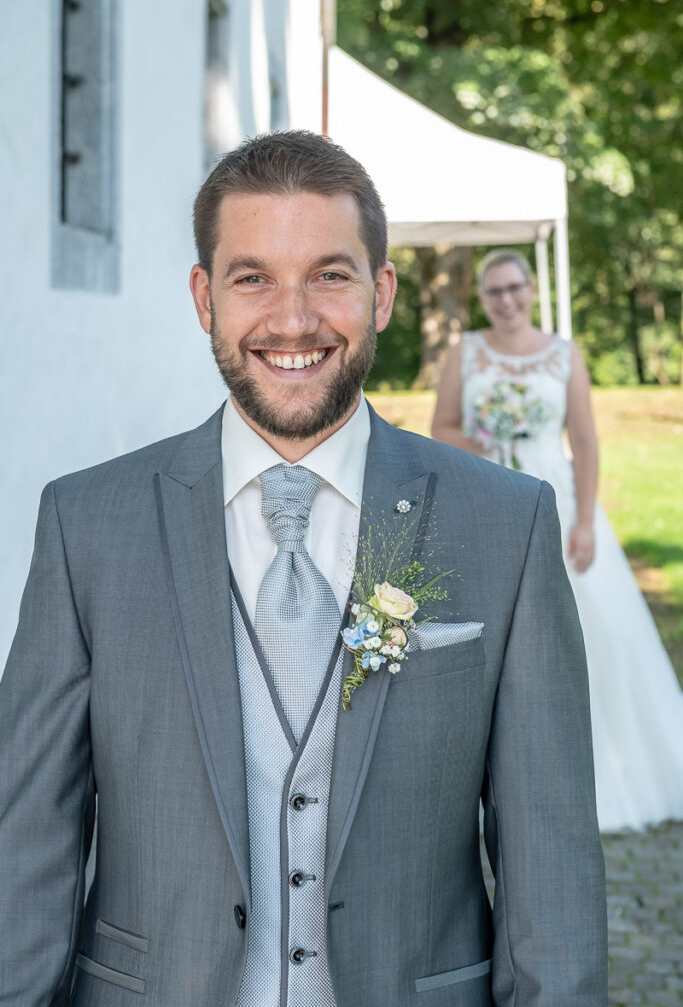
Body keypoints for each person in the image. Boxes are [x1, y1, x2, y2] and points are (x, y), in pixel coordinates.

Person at [0, 134, 606, 1006]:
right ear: (204, 298)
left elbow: (548, 859)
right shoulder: (86, 522)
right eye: (253, 278)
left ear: (381, 293)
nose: (292, 320)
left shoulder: (506, 523)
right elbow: (29, 841)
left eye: (330, 274)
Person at [432, 247, 683, 833]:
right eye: (494, 291)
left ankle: (603, 771)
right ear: (483, 298)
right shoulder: (463, 354)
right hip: (488, 496)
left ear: (530, 288)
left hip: (561, 502)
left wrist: (588, 519)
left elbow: (587, 441)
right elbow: (441, 427)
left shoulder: (564, 355)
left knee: (593, 635)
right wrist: (489, 441)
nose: (507, 300)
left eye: (515, 287)